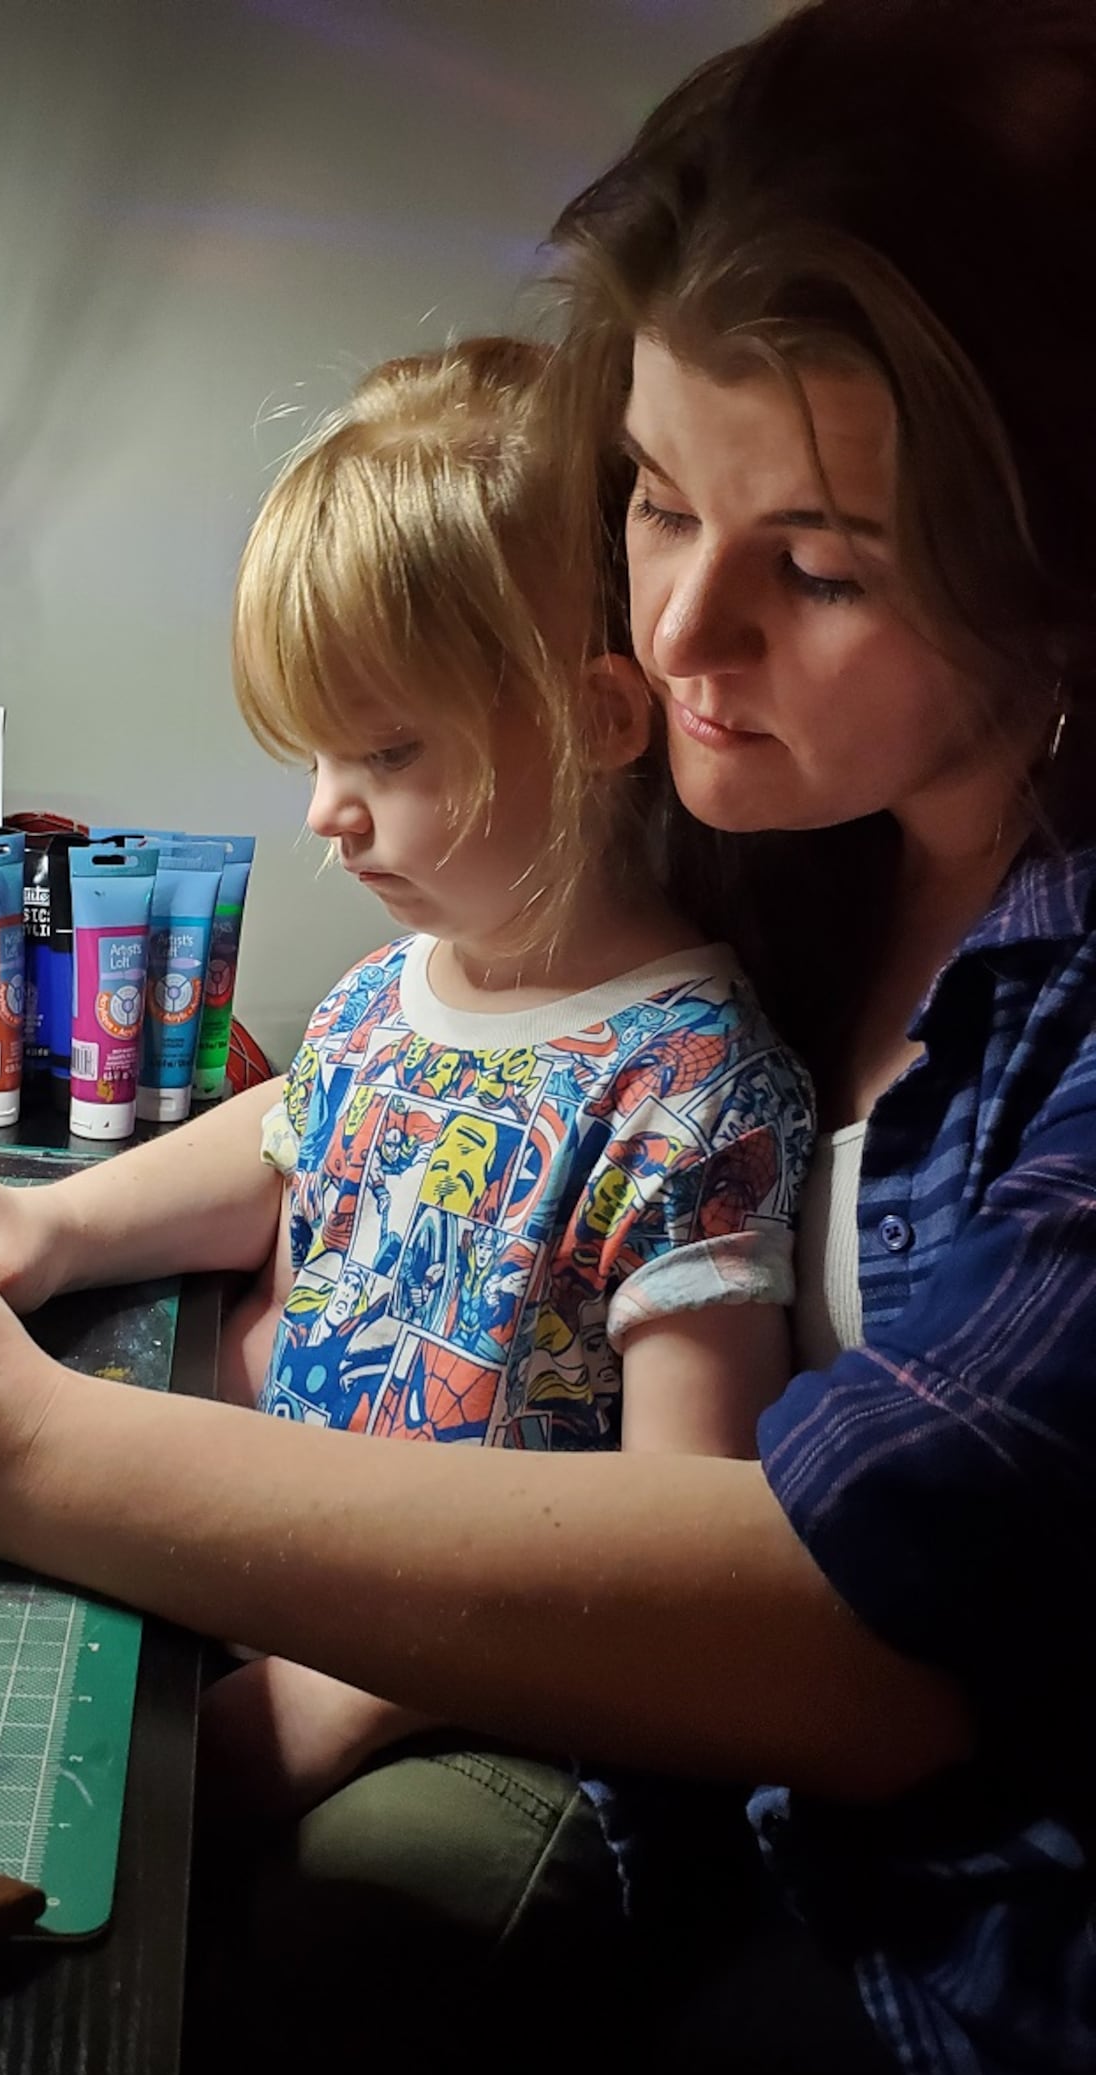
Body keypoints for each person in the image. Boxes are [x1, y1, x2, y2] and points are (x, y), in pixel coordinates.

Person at [0, 2, 1096, 2075]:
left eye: (818, 567)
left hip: (945, 1975)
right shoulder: (784, 834)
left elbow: (856, 1644)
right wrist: (46, 1227)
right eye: (653, 501)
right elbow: (403, 1078)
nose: (672, 647)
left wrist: (15, 1449)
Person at [204, 334, 811, 1818]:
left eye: (390, 751)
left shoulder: (688, 1088)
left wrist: (334, 1699)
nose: (326, 815)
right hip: (298, 1598)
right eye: (317, 753)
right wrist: (32, 1231)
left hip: (496, 1714)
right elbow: (275, 1143)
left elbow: (675, 1568)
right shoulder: (385, 998)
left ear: (602, 722)